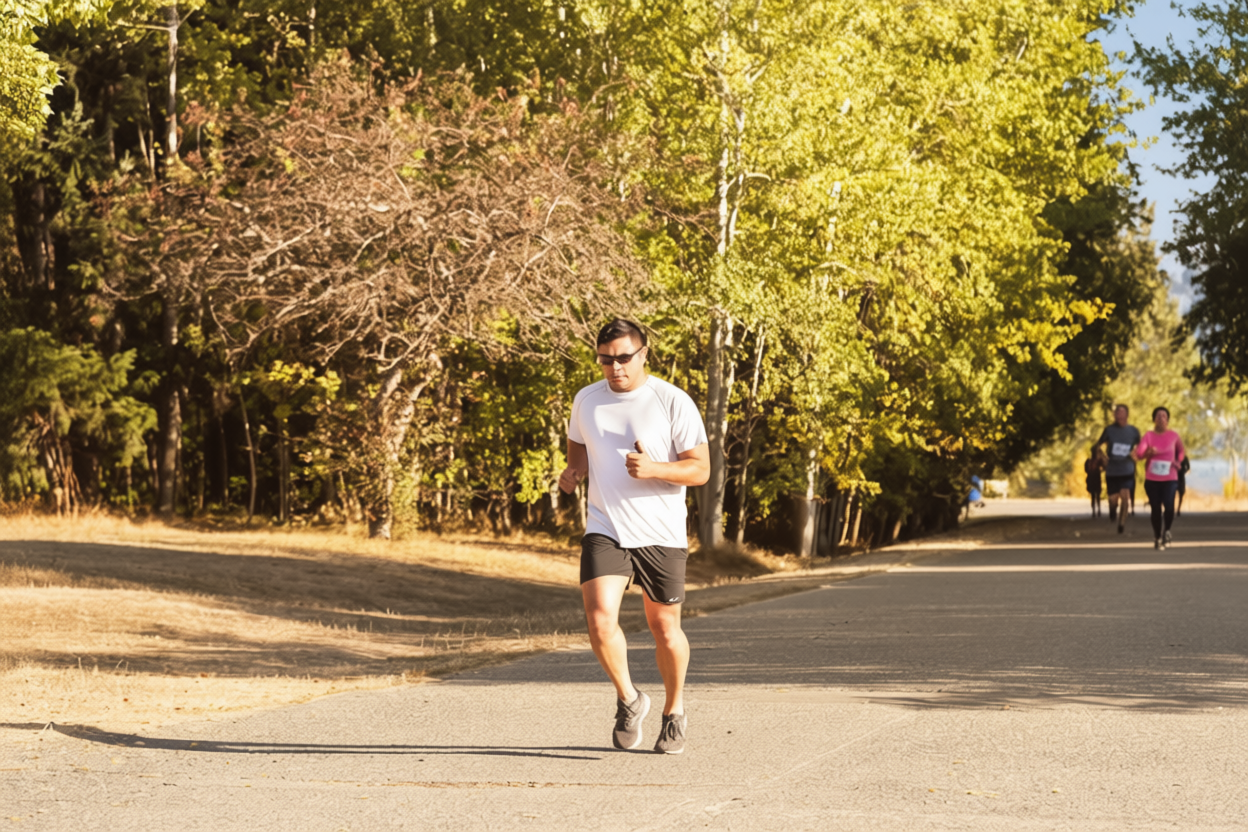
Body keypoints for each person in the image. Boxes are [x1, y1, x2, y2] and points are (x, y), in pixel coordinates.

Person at [559, 319, 709, 755]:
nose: (615, 367)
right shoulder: (586, 400)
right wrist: (573, 475)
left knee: (664, 628)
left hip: (661, 531)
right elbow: (579, 455)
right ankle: (629, 698)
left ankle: (674, 711)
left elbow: (700, 470)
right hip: (606, 526)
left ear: (644, 354)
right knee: (600, 618)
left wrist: (656, 469)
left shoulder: (671, 401)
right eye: (605, 359)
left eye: (623, 357)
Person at [1133, 406, 1186, 550]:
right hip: (1152, 478)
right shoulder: (1149, 436)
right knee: (1155, 508)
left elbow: (1181, 451)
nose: (1161, 418)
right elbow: (1139, 454)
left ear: (1168, 420)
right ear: (1154, 419)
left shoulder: (1174, 436)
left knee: (1169, 506)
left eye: (1164, 416)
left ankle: (1166, 531)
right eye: (1158, 416)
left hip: (1170, 477)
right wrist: (1148, 453)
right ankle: (1157, 536)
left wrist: (1178, 462)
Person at [1094, 404, 1141, 534]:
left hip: (1127, 468)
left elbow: (1141, 447)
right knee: (1113, 499)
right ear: (1114, 415)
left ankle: (1121, 524)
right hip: (1113, 469)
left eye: (1122, 413)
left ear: (1127, 415)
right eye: (1117, 413)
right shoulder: (1109, 430)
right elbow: (1097, 446)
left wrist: (1137, 454)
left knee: (1125, 496)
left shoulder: (1133, 431)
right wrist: (1103, 458)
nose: (1119, 415)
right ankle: (1112, 510)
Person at [1084, 447, 1106, 518]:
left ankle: (1095, 510)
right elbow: (1105, 467)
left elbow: (1086, 470)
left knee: (1094, 495)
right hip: (1095, 478)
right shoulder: (1096, 461)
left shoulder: (1089, 461)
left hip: (1092, 478)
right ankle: (1097, 510)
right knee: (1096, 495)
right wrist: (1099, 471)